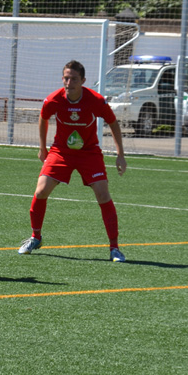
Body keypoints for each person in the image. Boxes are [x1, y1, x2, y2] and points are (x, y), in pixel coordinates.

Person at [18, 60, 128, 262]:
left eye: (74, 79)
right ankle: (35, 237)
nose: (69, 83)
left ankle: (114, 248)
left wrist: (120, 155)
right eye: (66, 78)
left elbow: (112, 122)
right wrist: (42, 147)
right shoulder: (53, 99)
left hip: (89, 153)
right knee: (41, 190)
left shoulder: (95, 100)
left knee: (103, 194)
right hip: (61, 152)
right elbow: (43, 118)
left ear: (83, 81)